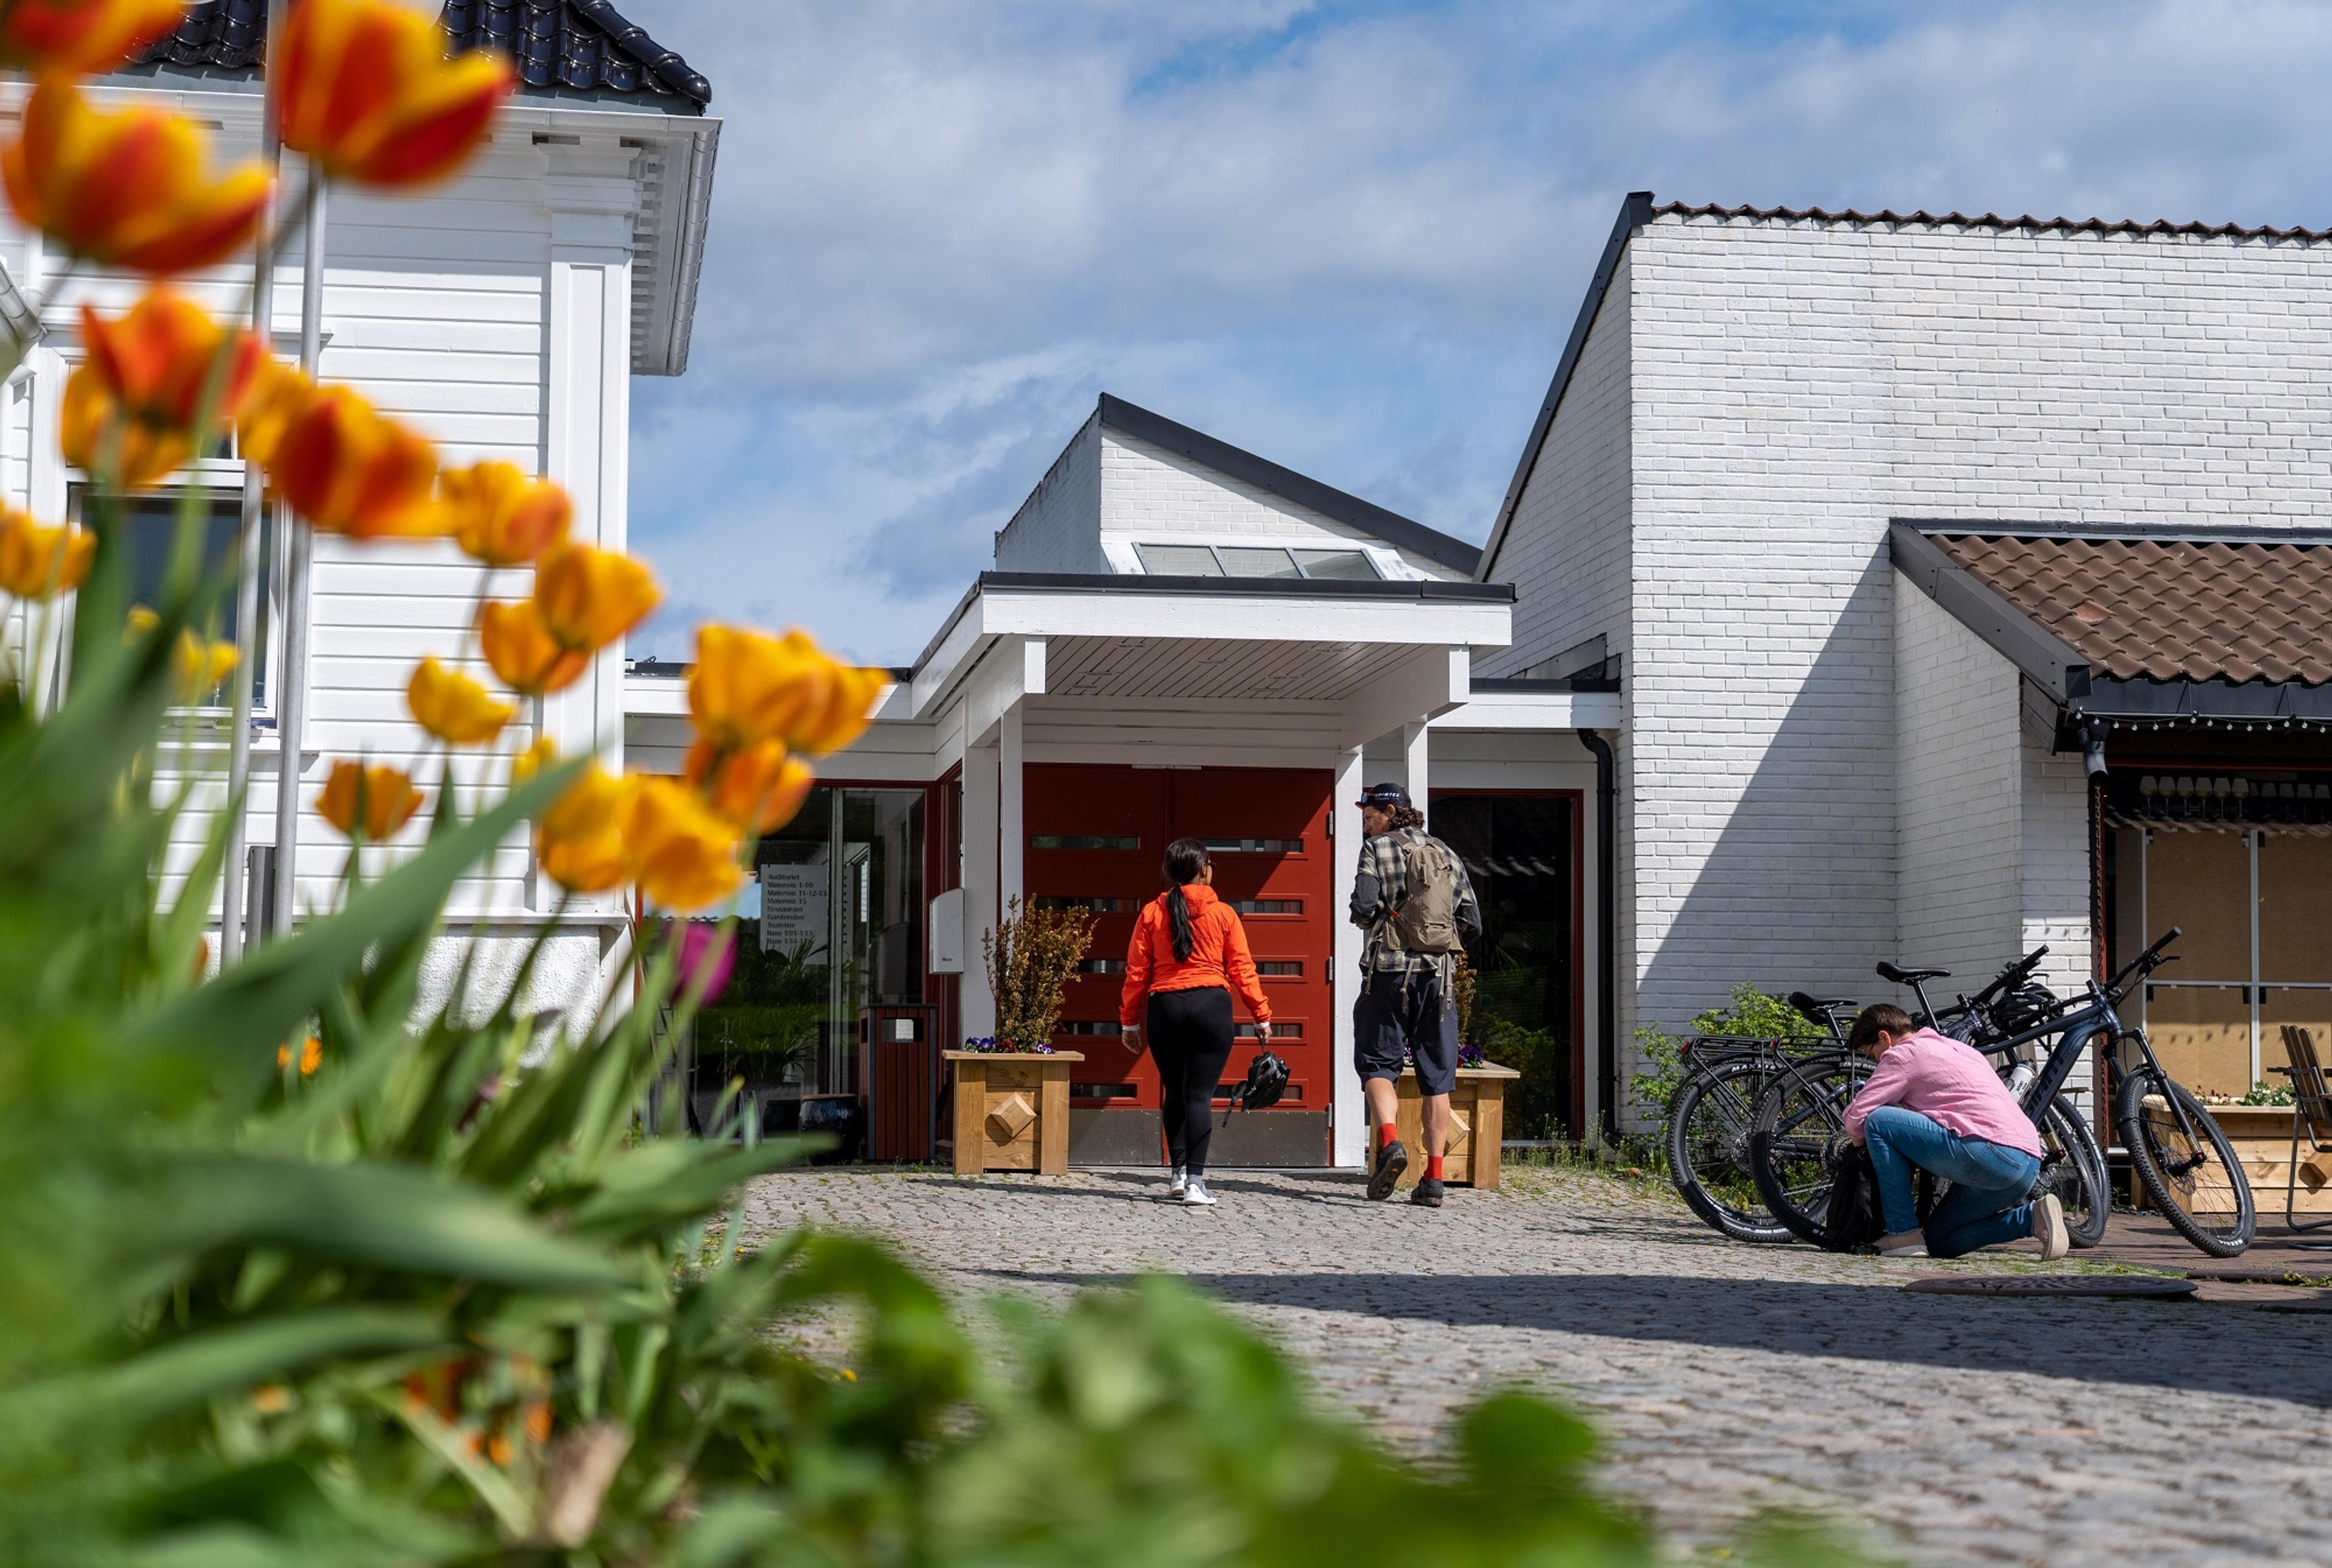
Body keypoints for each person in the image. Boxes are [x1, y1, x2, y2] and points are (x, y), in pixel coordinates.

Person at [1839, 1003, 2069, 1261]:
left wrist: (1860, 1144)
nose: (1876, 1061)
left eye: (1872, 1054)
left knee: (1878, 1122)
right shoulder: (1960, 1049)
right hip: (2027, 1165)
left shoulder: (1904, 1055)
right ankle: (2032, 1218)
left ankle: (1902, 1233)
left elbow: (1856, 1121)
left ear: (1885, 1037)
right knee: (1939, 1241)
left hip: (1989, 1155)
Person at [1120, 837, 1272, 1207]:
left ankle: (1177, 1174)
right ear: (1204, 871)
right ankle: (1195, 1182)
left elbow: (1137, 972)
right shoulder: (1224, 914)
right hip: (1211, 1006)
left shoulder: (1151, 913)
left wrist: (1129, 1022)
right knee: (1200, 1095)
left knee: (1175, 1091)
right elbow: (1242, 969)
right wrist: (1261, 1014)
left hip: (1165, 1007)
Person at [1349, 783, 1480, 1208]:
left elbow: (1364, 907)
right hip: (1438, 980)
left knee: (1377, 1063)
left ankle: (1391, 1143)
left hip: (1388, 974)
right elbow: (1472, 921)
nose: (1367, 826)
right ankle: (1434, 1179)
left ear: (1390, 813)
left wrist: (1371, 918)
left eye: (1370, 817)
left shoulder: (1377, 849)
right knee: (1437, 1077)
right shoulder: (1446, 852)